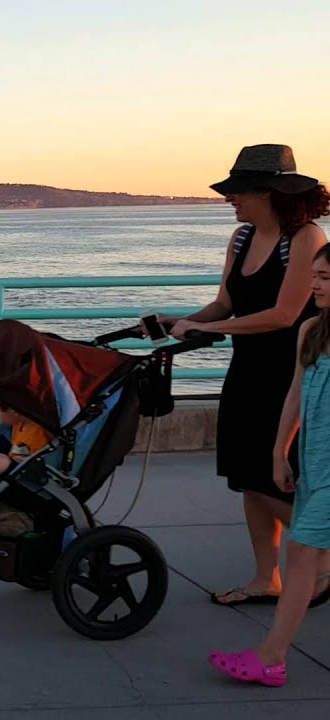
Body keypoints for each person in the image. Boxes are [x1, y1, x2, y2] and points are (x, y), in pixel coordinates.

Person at [162, 145, 330, 606]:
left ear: (268, 192)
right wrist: (178, 321)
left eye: (238, 192)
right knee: (246, 478)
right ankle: (265, 578)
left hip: (288, 373)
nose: (230, 200)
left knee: (277, 477)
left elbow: (284, 314)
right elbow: (225, 303)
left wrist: (209, 327)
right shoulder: (240, 238)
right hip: (247, 369)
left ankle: (324, 559)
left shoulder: (305, 239)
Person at [209, 245, 330, 687]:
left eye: (326, 278)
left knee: (300, 556)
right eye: (315, 275)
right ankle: (272, 658)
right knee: (302, 558)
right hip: (316, 464)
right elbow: (295, 395)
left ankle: (271, 657)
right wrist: (280, 450)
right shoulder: (312, 331)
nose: (315, 284)